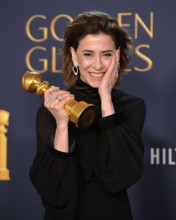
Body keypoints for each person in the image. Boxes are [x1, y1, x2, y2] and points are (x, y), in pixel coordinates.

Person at [29, 10, 146, 220]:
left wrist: (106, 100)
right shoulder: (53, 108)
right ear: (75, 55)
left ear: (117, 55)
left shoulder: (131, 107)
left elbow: (122, 175)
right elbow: (52, 190)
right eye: (88, 54)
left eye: (107, 54)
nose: (98, 65)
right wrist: (62, 125)